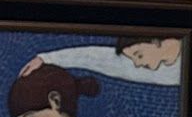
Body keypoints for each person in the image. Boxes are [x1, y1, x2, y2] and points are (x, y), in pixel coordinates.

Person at [18, 35, 182, 87]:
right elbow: (95, 57)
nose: (138, 64)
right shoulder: (149, 67)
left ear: (154, 42)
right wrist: (46, 59)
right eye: (133, 59)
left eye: (138, 55)